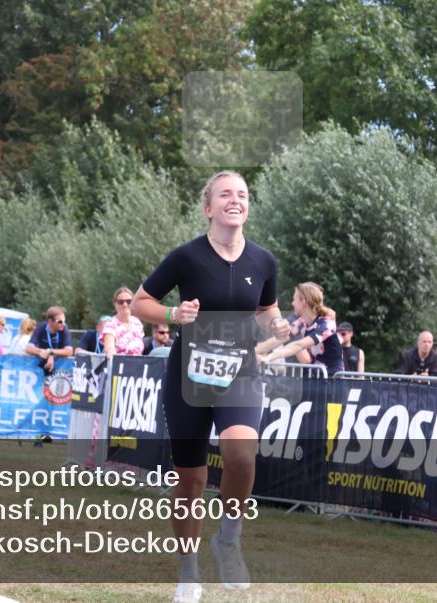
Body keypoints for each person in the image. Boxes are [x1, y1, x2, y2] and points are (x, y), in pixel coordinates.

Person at [131, 171, 290, 602]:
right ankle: (188, 573)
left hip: (240, 371)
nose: (235, 200)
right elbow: (140, 303)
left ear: (247, 206)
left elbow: (266, 309)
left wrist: (276, 324)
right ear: (208, 207)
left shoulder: (263, 261)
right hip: (189, 376)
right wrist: (173, 315)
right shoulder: (186, 257)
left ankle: (228, 540)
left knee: (241, 455)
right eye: (225, 194)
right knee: (191, 481)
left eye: (242, 194)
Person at [260, 282, 343, 378]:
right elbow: (278, 339)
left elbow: (299, 345)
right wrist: (253, 352)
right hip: (315, 379)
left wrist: (268, 358)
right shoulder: (301, 323)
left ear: (303, 302)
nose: (292, 303)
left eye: (294, 299)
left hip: (333, 381)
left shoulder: (327, 324)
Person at [101, 287, 145, 361]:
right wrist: (110, 352)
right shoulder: (111, 324)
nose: (125, 304)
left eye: (128, 301)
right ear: (115, 304)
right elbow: (109, 347)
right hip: (119, 364)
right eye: (120, 302)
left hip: (138, 364)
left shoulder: (137, 323)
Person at [27, 306, 74, 374]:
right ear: (50, 321)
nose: (63, 324)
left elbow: (69, 351)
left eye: (64, 321)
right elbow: (28, 348)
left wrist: (50, 353)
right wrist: (39, 352)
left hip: (60, 366)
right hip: (41, 364)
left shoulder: (64, 328)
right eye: (60, 321)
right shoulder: (42, 327)